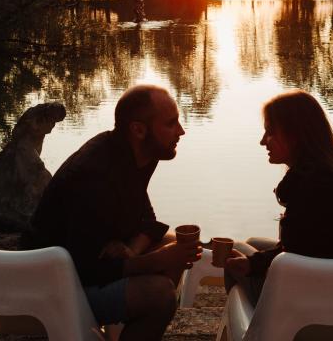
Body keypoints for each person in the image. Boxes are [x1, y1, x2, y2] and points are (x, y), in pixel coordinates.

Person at [25, 85, 201, 340]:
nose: (181, 131)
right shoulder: (95, 176)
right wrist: (154, 261)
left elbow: (147, 220)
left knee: (173, 244)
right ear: (138, 129)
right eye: (171, 123)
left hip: (88, 267)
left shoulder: (139, 153)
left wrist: (132, 251)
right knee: (159, 294)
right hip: (53, 286)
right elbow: (82, 268)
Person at [223, 90, 333, 305]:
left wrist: (252, 265)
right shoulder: (329, 173)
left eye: (270, 132)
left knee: (232, 262)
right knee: (252, 243)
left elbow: (300, 254)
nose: (263, 142)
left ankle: (258, 326)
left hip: (321, 295)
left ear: (295, 135)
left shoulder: (314, 185)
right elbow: (311, 245)